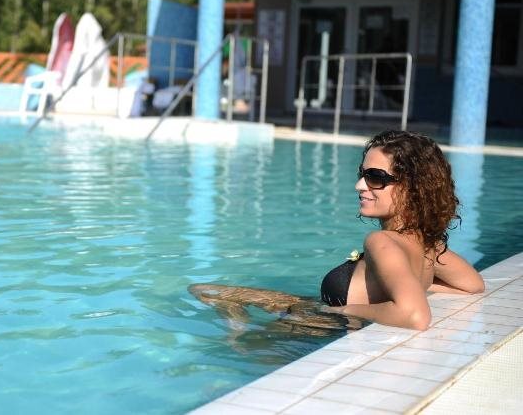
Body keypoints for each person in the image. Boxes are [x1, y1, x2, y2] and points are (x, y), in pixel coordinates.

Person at [190, 130, 485, 332]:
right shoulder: (428, 245)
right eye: (362, 174)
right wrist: (415, 285)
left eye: (375, 177)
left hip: (311, 330)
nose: (360, 185)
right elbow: (472, 284)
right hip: (311, 312)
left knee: (207, 299)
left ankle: (238, 330)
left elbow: (416, 316)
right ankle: (237, 321)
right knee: (211, 291)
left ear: (412, 188)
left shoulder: (382, 242)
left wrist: (340, 312)